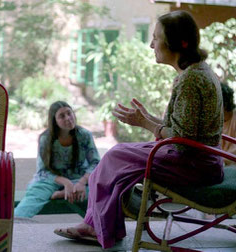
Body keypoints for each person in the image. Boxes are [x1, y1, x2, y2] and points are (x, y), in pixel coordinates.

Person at [54, 10, 224, 249]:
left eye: (156, 37)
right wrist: (147, 118)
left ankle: (96, 225)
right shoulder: (195, 72)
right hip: (197, 159)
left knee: (115, 156)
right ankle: (101, 225)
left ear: (180, 42)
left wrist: (145, 123)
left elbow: (182, 138)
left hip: (196, 164)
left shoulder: (192, 79)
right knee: (119, 158)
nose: (151, 44)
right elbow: (183, 130)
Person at [14, 101, 101, 218]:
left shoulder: (84, 135)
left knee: (99, 193)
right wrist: (66, 182)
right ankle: (15, 224)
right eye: (62, 116)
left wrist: (82, 182)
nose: (68, 118)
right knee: (32, 199)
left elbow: (96, 163)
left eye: (69, 113)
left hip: (79, 180)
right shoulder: (45, 139)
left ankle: (62, 194)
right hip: (51, 181)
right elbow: (42, 171)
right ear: (54, 121)